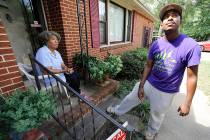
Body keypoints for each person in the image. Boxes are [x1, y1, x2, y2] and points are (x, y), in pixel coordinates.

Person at [107, 3, 201, 140]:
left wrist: (187, 103)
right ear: (161, 24)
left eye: (175, 15)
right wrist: (141, 85)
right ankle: (117, 111)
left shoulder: (191, 46)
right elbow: (148, 66)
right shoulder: (156, 44)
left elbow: (192, 78)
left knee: (157, 114)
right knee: (130, 98)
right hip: (149, 83)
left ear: (180, 21)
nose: (170, 18)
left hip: (166, 91)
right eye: (166, 17)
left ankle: (151, 132)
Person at [36, 31, 93, 100]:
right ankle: (78, 93)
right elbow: (46, 71)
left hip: (59, 74)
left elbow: (62, 64)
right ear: (46, 41)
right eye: (53, 39)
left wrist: (67, 68)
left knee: (76, 75)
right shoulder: (42, 52)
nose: (56, 41)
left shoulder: (56, 52)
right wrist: (63, 70)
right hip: (51, 77)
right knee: (73, 78)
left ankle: (75, 91)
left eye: (57, 40)